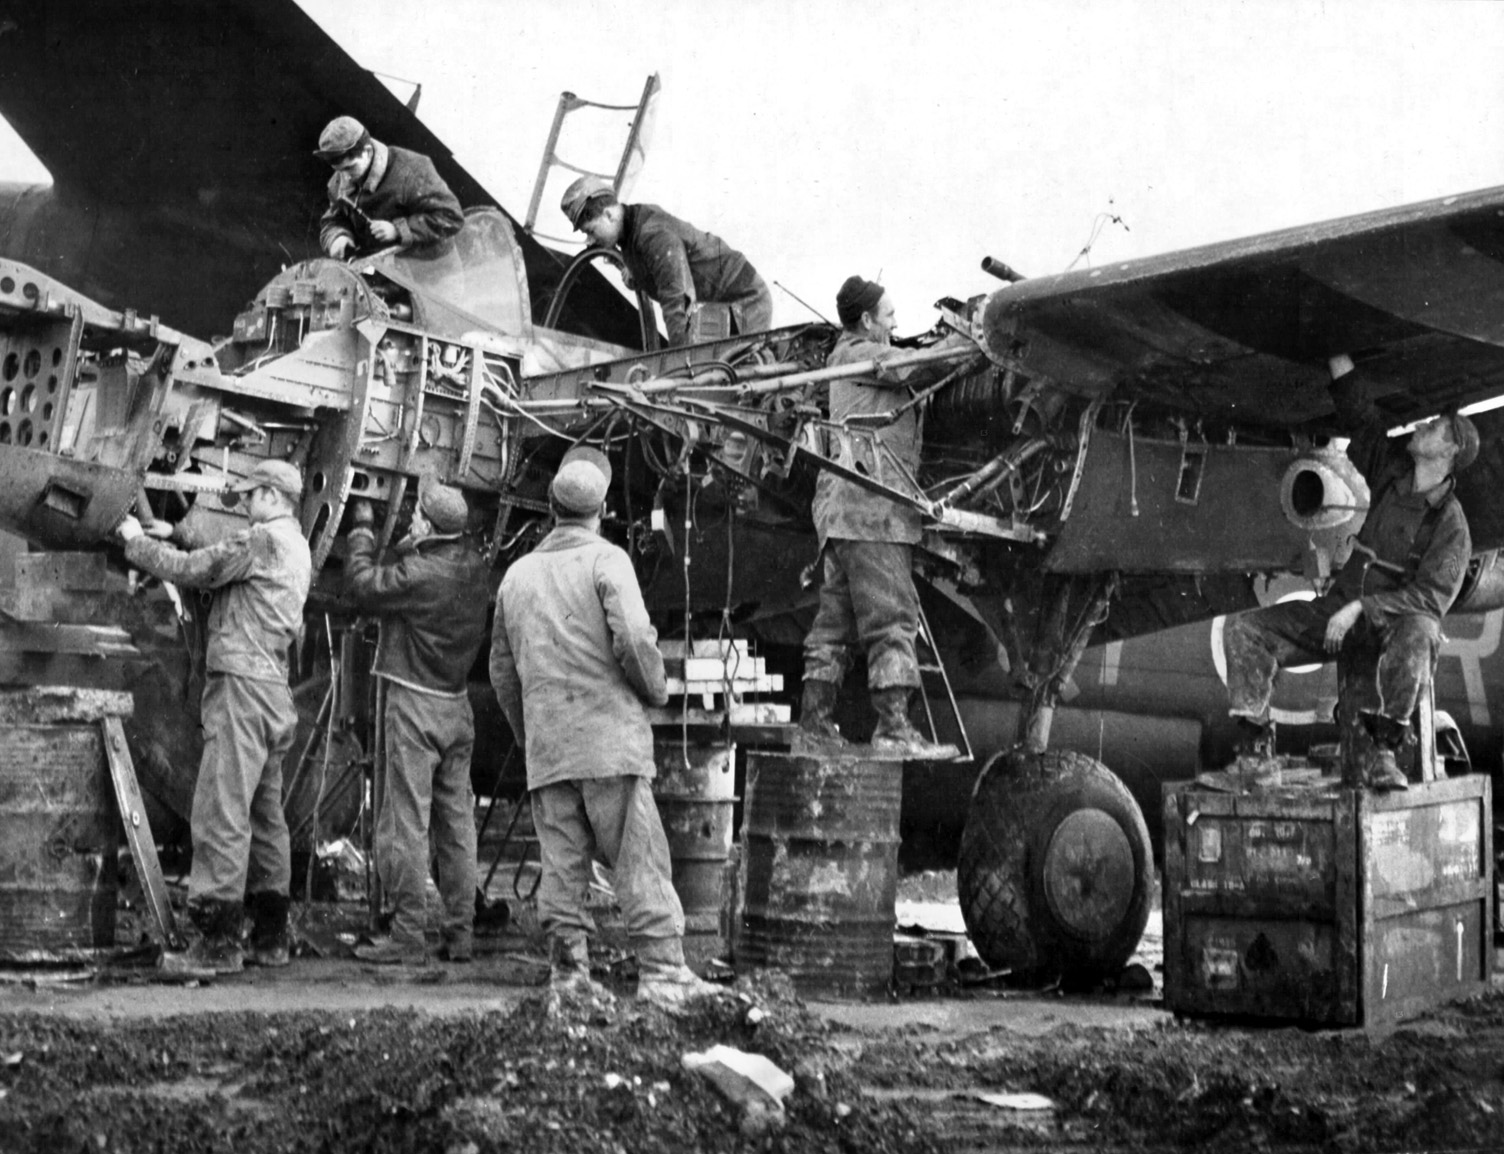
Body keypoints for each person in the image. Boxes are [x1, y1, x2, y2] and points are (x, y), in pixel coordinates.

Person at [489, 447, 718, 1010]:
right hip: (609, 744)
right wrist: (656, 690)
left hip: (550, 750)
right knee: (638, 858)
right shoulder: (607, 561)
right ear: (603, 509)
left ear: (549, 507)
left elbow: (501, 669)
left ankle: (569, 977)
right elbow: (636, 640)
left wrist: (531, 734)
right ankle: (663, 971)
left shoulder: (515, 577)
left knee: (562, 864)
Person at [1224, 363, 1478, 790]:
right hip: (1336, 611)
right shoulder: (1393, 475)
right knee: (1245, 631)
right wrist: (1340, 363)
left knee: (1422, 631)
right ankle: (1255, 755)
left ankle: (1386, 752)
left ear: (1449, 450)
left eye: (1434, 427)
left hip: (1385, 627)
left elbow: (1431, 600)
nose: (1421, 426)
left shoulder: (1451, 527)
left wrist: (1363, 607)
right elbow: (1364, 423)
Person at [116, 460, 312, 973]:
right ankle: (270, 937)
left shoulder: (261, 542)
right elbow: (215, 553)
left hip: (241, 692)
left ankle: (216, 945)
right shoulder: (294, 544)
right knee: (265, 817)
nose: (244, 506)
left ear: (271, 495)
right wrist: (178, 532)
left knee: (220, 811)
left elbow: (198, 569)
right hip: (272, 692)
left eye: (249, 497)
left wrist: (137, 541)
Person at [797, 276, 967, 760]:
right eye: (889, 315)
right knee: (892, 618)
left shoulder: (842, 358)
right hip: (872, 513)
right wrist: (967, 339)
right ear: (867, 320)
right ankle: (894, 729)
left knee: (833, 626)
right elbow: (914, 367)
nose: (896, 322)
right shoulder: (861, 355)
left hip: (839, 517)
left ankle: (813, 727)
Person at [343, 476, 491, 965]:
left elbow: (364, 586)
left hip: (415, 706)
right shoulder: (475, 568)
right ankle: (460, 933)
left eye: (417, 516)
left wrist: (362, 530)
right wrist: (417, 542)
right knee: (456, 826)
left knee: (405, 822)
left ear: (429, 524)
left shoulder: (420, 575)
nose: (410, 519)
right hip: (456, 705)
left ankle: (407, 935)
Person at [560, 175, 772, 347]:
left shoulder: (653, 236)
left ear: (608, 215)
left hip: (744, 301)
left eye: (591, 230)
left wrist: (677, 359)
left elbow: (678, 301)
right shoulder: (631, 229)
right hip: (716, 304)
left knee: (718, 372)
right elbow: (653, 268)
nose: (589, 241)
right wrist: (634, 273)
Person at [314, 116, 464, 261]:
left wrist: (398, 230)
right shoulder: (340, 181)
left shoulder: (412, 170)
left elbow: (450, 216)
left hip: (433, 270)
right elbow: (333, 220)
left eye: (350, 167)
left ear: (367, 151)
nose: (345, 177)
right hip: (387, 269)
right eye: (338, 169)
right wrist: (337, 236)